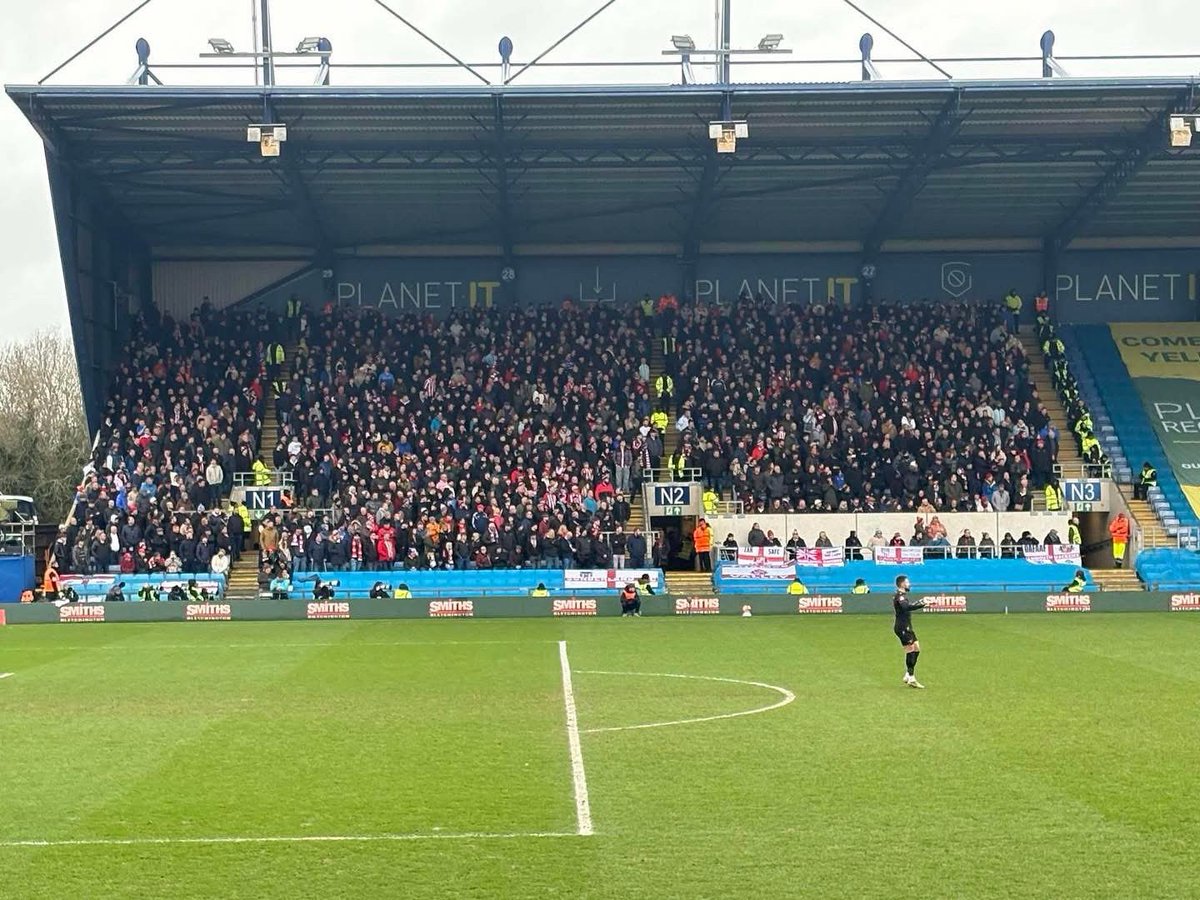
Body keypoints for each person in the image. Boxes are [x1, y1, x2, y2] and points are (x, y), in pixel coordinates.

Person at [892, 574, 927, 689]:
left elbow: (908, 606)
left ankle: (908, 674)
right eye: (907, 582)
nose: (909, 584)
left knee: (916, 648)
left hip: (906, 626)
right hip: (902, 627)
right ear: (902, 584)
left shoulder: (902, 596)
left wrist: (920, 602)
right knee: (910, 649)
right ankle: (911, 677)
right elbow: (906, 607)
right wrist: (922, 604)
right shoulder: (899, 596)